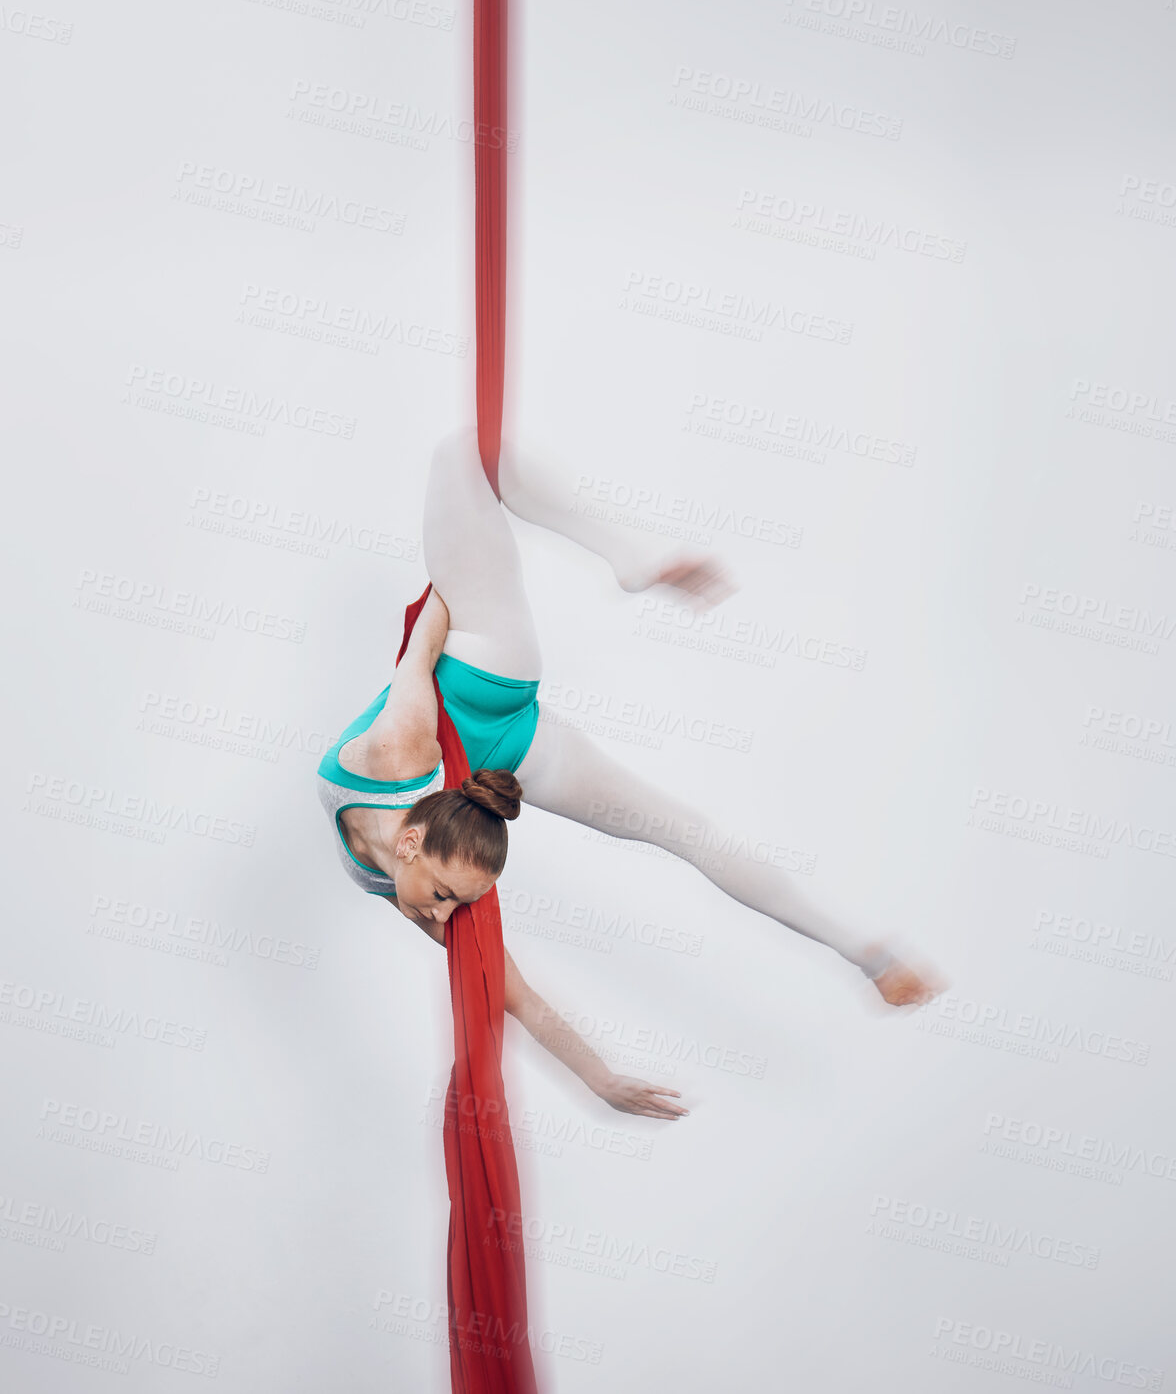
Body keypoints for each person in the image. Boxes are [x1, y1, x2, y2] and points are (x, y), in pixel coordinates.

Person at [316, 427, 947, 1122]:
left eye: (442, 898)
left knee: (464, 452)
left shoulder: (393, 754)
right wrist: (600, 1081)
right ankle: (873, 957)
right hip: (518, 747)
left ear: (411, 844)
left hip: (481, 671)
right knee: (683, 832)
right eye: (449, 903)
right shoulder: (411, 882)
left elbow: (425, 638)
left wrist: (466, 567)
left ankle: (632, 558)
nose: (438, 916)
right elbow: (511, 990)